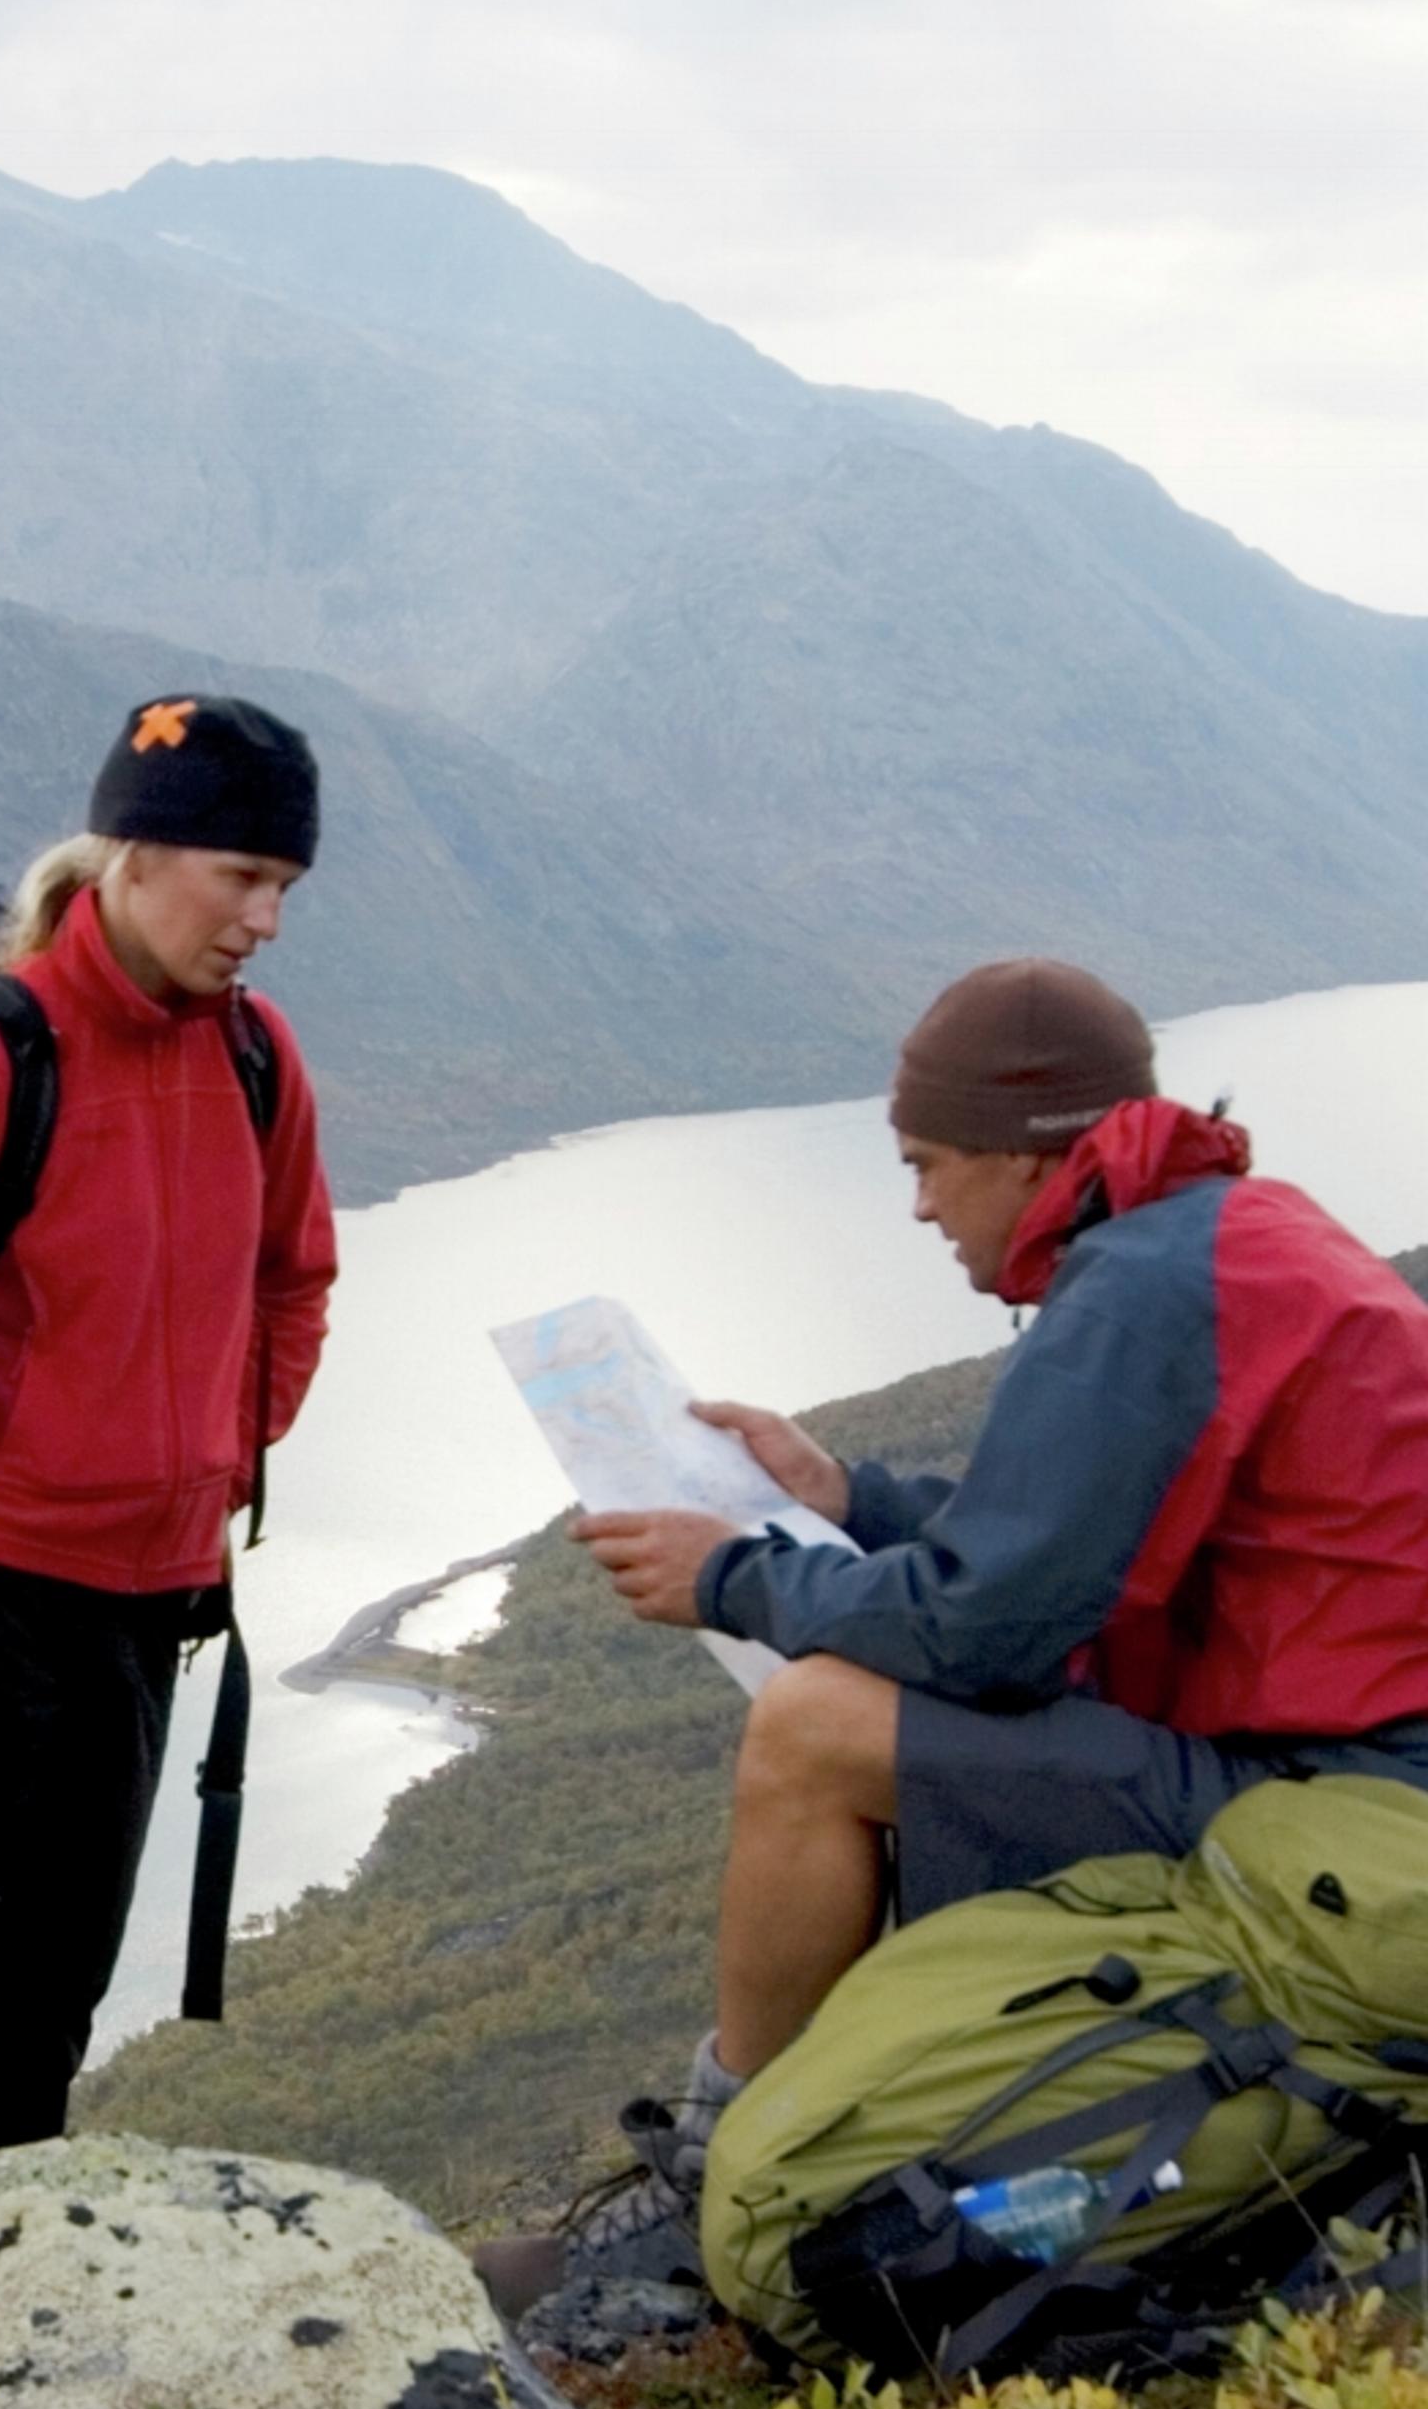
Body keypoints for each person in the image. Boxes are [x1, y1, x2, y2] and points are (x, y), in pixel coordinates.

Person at [476, 957, 1428, 2310]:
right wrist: (848, 1497)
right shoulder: (1222, 1233)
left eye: (928, 1161)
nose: (919, 1203)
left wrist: (735, 1576)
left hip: (1350, 1822)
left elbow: (991, 1626)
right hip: (1341, 1779)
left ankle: (704, 2196)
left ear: (1028, 1150)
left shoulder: (1144, 1287)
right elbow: (1071, 1548)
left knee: (813, 1728)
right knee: (864, 1696)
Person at [0, 694, 337, 2230]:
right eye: (242, 876)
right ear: (137, 849)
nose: (266, 920)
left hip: (138, 1619)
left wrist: (214, 1455)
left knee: (41, 2022)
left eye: (286, 887)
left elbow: (294, 1274)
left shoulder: (256, 1057)